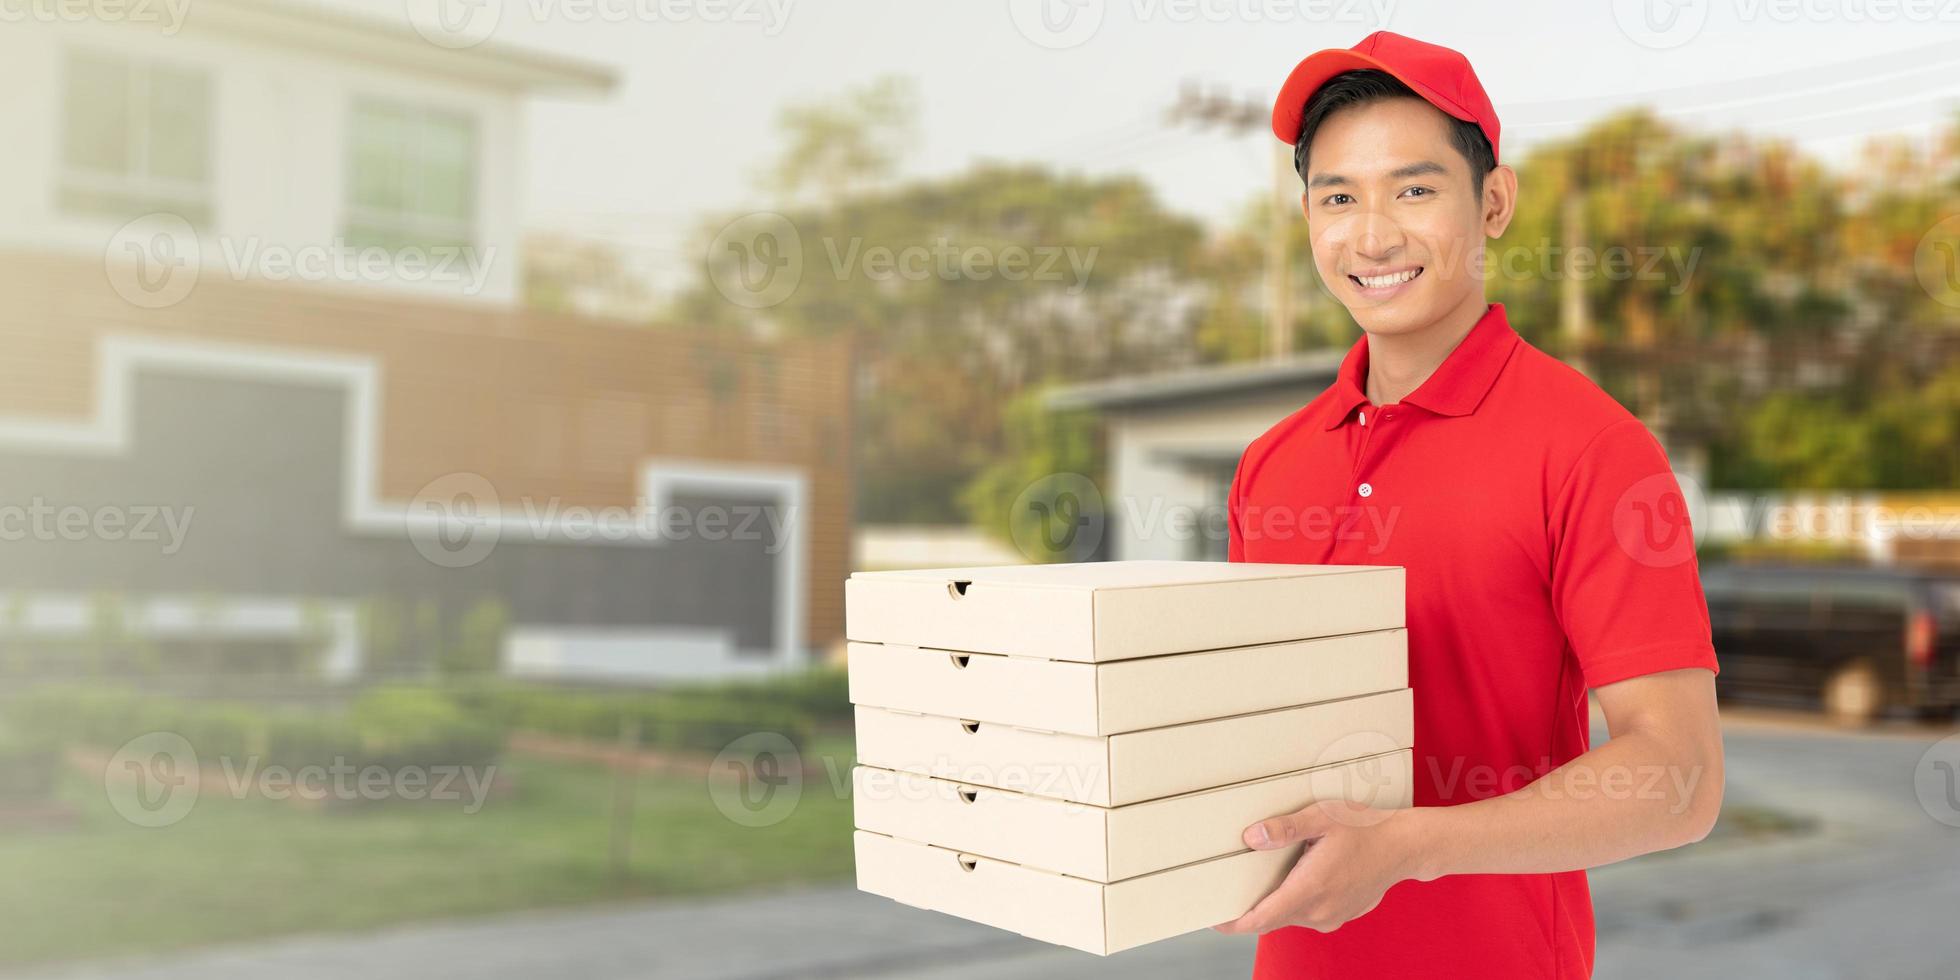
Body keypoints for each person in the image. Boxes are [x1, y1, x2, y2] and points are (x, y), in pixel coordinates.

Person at [1215, 31, 1724, 980]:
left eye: (1414, 190)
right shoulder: (1269, 466)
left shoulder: (1594, 450)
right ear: (1309, 219)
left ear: (1493, 203)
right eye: (1339, 197)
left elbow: (1681, 779)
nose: (1372, 236)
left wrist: (1409, 846)